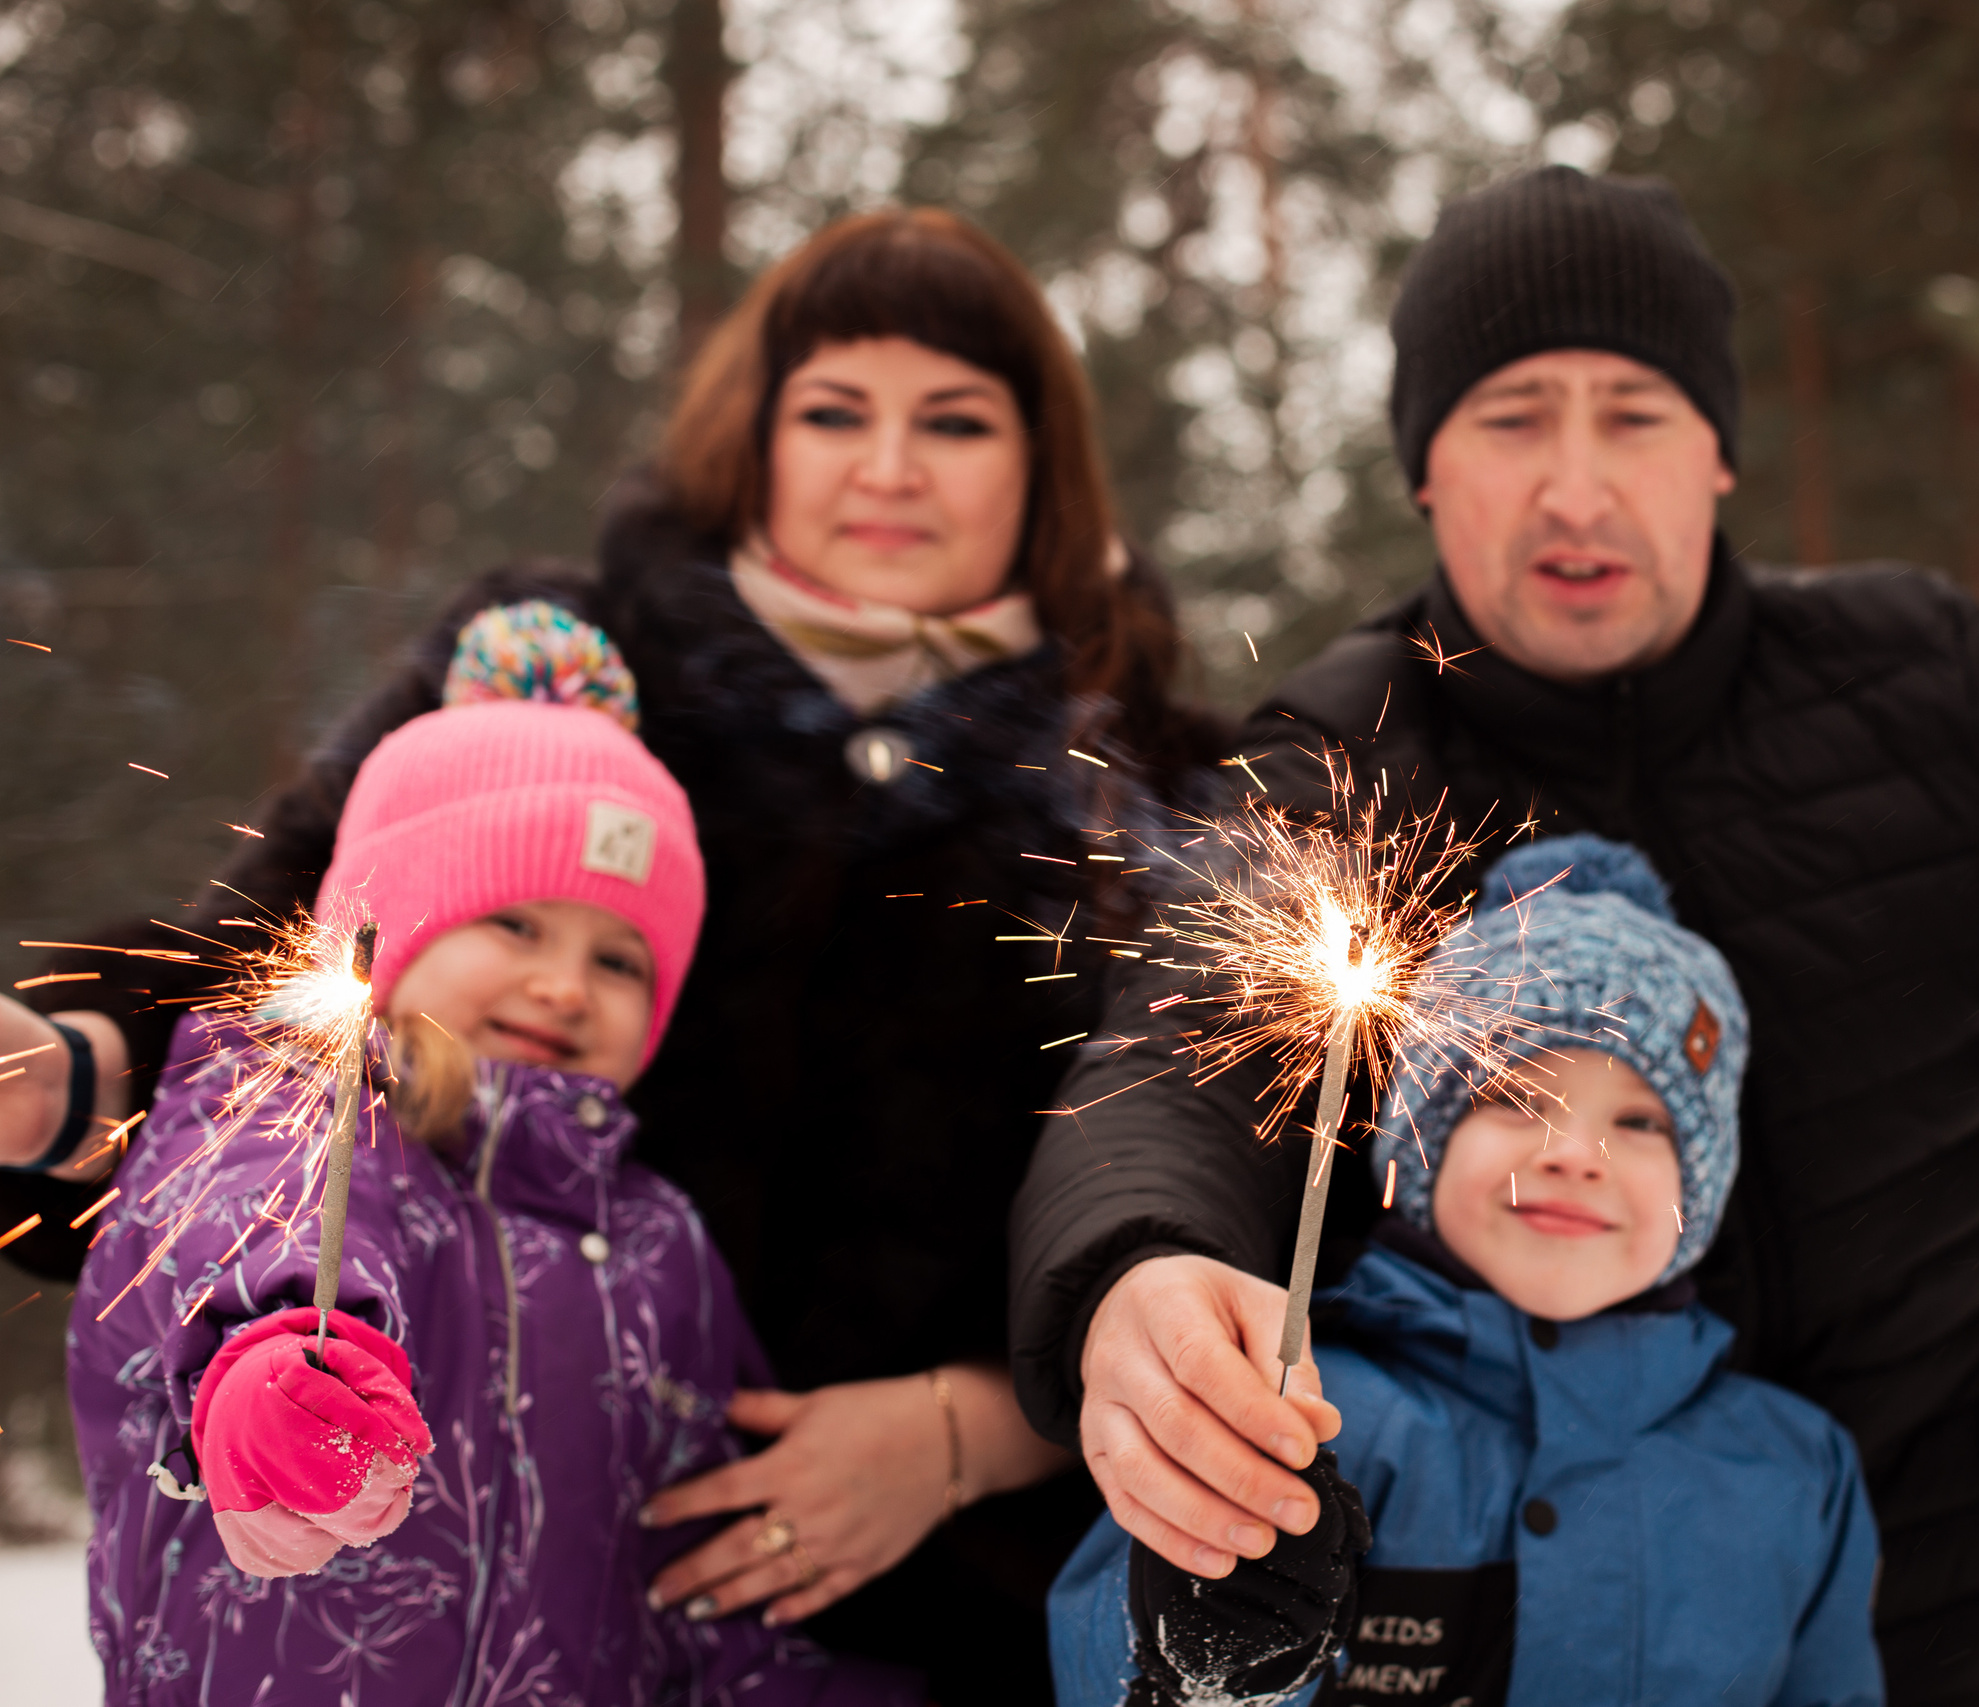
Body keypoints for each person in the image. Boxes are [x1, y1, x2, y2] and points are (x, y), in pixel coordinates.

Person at [1007, 164, 1979, 1707]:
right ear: (1425, 468)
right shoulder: (1349, 753)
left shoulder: (1931, 688)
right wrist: (1136, 1268)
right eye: (1510, 416)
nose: (1576, 484)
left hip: (1968, 1642)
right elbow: (1173, 1062)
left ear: (1720, 451)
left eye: (1633, 410)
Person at [8, 206, 1224, 1704]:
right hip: (467, 1565)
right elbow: (298, 940)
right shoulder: (557, 667)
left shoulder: (1144, 783)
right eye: (835, 411)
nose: (890, 467)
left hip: (941, 1612)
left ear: (1041, 461)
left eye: (955, 421)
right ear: (755, 437)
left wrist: (971, 1427)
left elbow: (1212, 1175)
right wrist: (81, 1062)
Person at [72, 692, 920, 1706]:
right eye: (515, 925)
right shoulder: (292, 1104)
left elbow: (699, 1570)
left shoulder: (659, 1240)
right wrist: (274, 1366)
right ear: (385, 938)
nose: (565, 986)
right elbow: (249, 1220)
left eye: (616, 959)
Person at [1047, 836, 1883, 1707]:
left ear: (1702, 1187)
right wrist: (1199, 1655)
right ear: (1423, 1144)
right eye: (1517, 1099)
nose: (1573, 1154)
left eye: (1640, 1122)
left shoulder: (1799, 1472)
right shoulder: (1300, 1406)